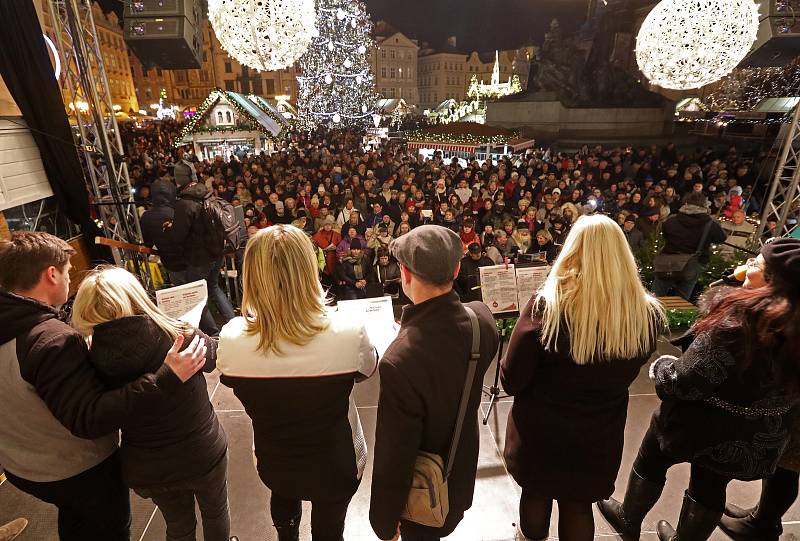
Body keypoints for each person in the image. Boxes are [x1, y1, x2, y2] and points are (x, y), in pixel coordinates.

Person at [0, 232, 206, 541]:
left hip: (21, 464)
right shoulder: (53, 341)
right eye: (69, 272)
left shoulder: (14, 325)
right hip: (75, 472)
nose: (70, 281)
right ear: (51, 274)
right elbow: (90, 418)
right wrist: (167, 376)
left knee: (75, 521)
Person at [598, 237, 800, 541]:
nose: (746, 265)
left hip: (701, 425)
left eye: (755, 263)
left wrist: (661, 367)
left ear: (772, 281)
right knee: (710, 485)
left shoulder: (734, 324)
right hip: (756, 433)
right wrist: (737, 282)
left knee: (652, 458)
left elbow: (683, 381)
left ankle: (629, 519)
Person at [501, 215, 665, 541]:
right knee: (578, 506)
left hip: (541, 433)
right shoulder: (646, 315)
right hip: (598, 433)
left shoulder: (546, 307)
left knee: (536, 496)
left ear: (572, 251)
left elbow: (511, 379)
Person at [217, 225, 378, 541]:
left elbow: (229, 377)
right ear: (309, 270)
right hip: (337, 461)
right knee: (329, 529)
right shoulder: (348, 332)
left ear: (252, 274)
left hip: (274, 458)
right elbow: (368, 369)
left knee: (283, 492)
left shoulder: (232, 338)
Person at [70, 266, 233, 541]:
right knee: (215, 512)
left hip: (147, 467)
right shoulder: (176, 332)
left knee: (179, 527)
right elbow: (214, 359)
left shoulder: (88, 359)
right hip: (201, 452)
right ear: (135, 296)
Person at [370, 225, 500, 541]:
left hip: (423, 493)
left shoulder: (399, 361)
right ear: (457, 269)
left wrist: (384, 523)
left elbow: (395, 456)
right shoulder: (482, 320)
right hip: (459, 476)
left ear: (404, 273)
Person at [719, 239, 800, 541]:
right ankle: (764, 515)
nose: (750, 263)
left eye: (759, 262)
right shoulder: (790, 306)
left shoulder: (785, 317)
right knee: (784, 464)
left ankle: (763, 524)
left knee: (788, 465)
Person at [166, 170, 237, 335]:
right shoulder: (208, 195)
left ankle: (213, 334)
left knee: (197, 296)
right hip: (217, 251)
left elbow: (178, 236)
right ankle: (234, 323)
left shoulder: (184, 203)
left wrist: (170, 228)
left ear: (179, 184)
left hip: (199, 258)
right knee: (213, 287)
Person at [652, 192, 726, 301]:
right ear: (704, 205)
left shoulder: (672, 220)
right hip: (692, 264)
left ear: (685, 203)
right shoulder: (709, 224)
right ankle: (677, 316)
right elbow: (721, 238)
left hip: (667, 262)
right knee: (681, 300)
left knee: (655, 296)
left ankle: (649, 317)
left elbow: (665, 234)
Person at [140, 178, 186, 284]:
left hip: (170, 262)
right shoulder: (179, 211)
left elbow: (147, 243)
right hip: (189, 260)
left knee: (183, 292)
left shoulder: (147, 216)